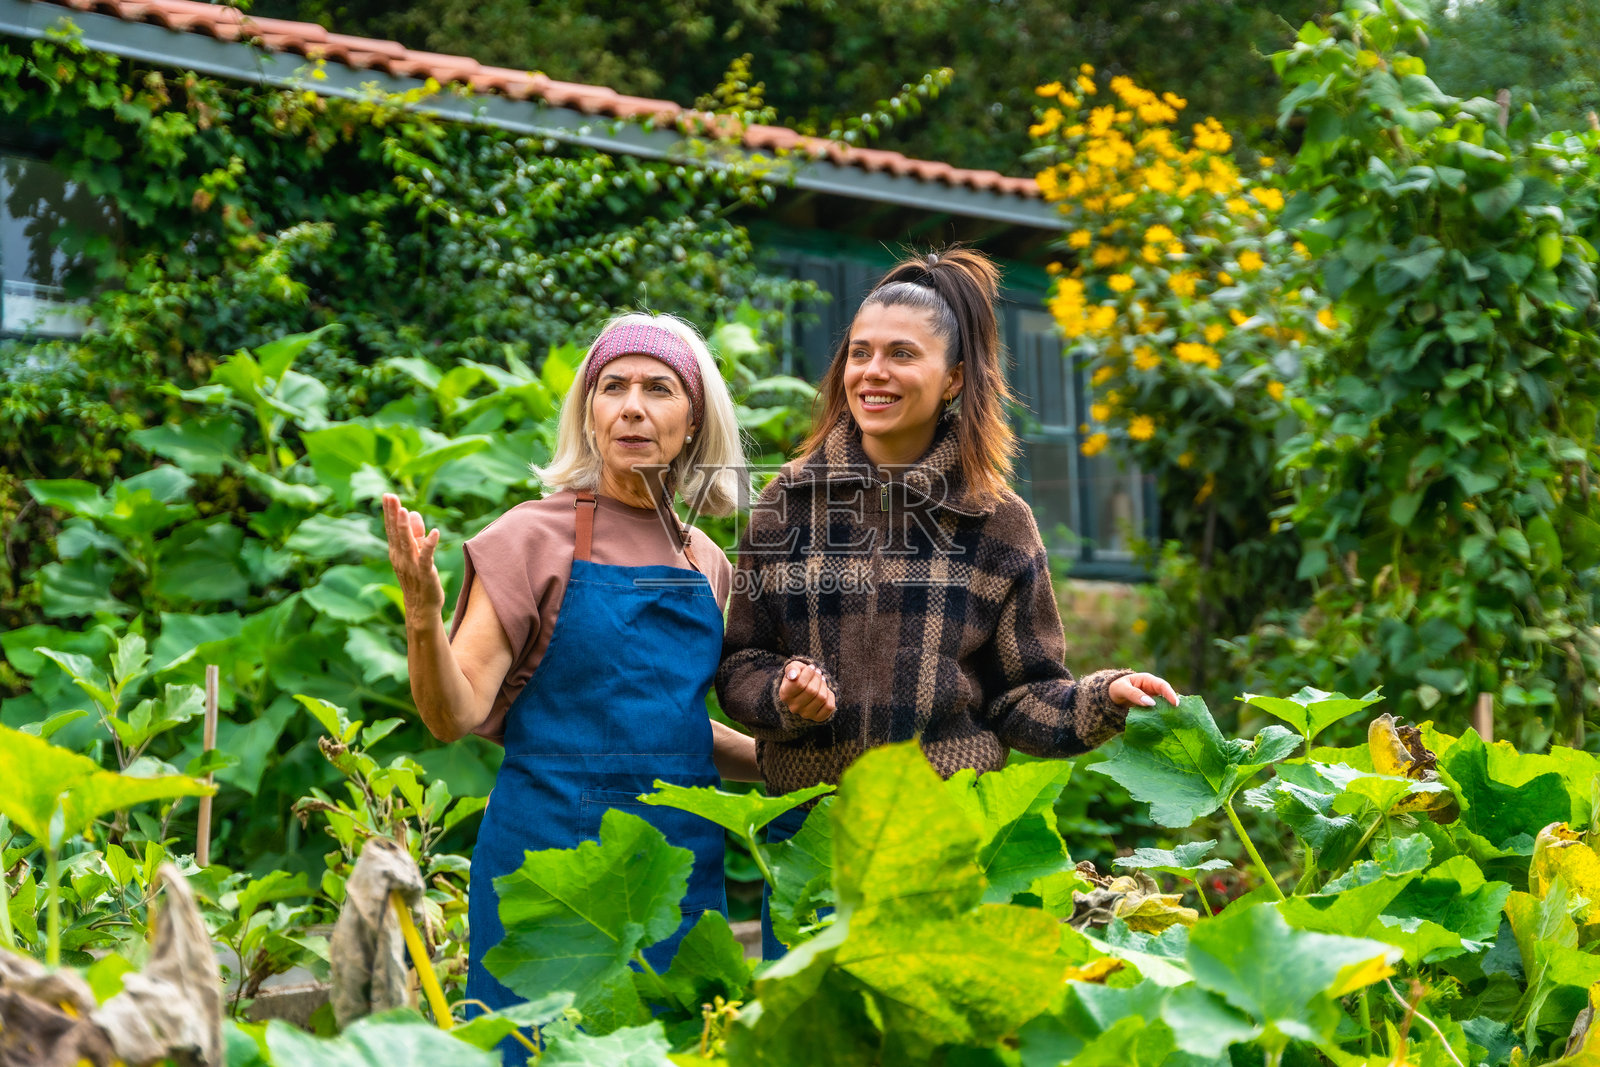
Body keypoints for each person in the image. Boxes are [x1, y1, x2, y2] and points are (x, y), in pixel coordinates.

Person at [715, 248, 1178, 958]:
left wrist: (1103, 696)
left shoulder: (997, 522)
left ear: (954, 378)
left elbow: (1022, 694)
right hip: (811, 831)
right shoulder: (788, 503)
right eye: (860, 353)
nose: (874, 371)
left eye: (902, 354)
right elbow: (739, 660)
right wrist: (780, 692)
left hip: (946, 828)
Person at [382, 313, 759, 1045]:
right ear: (588, 415)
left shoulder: (705, 561)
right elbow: (451, 713)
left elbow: (671, 726)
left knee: (677, 1049)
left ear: (694, 421)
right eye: (611, 386)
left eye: (658, 388)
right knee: (539, 1049)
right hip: (549, 865)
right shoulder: (531, 536)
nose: (632, 407)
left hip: (675, 869)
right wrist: (423, 618)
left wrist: (801, 765)